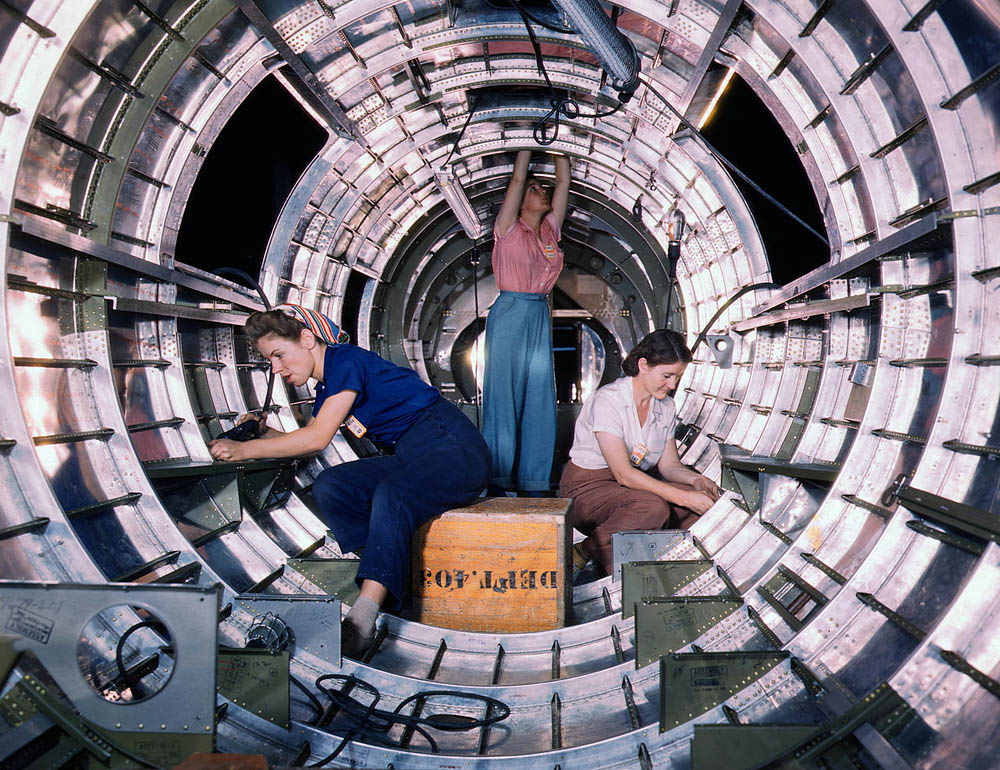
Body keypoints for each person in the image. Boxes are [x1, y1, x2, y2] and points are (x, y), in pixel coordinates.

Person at [209, 304, 491, 657]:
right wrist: (262, 434)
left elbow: (315, 438)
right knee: (333, 485)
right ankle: (387, 574)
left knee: (393, 493)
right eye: (271, 361)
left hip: (453, 449)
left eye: (279, 355)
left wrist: (242, 452)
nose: (277, 369)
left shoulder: (345, 361)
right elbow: (308, 440)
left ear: (308, 339)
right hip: (411, 455)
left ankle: (363, 618)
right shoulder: (330, 389)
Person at [558, 330, 721, 576]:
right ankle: (588, 552)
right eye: (667, 376)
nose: (673, 385)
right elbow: (624, 474)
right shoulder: (608, 400)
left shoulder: (665, 406)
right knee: (653, 507)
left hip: (629, 490)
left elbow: (669, 466)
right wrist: (683, 497)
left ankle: (667, 571)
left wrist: (696, 481)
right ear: (643, 365)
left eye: (677, 377)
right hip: (587, 489)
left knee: (694, 500)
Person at [483, 149, 571, 494]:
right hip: (510, 312)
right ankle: (499, 480)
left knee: (539, 398)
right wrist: (527, 145)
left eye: (542, 189)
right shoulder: (507, 228)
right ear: (519, 202)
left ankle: (534, 482)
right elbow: (518, 179)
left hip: (538, 312)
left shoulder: (550, 231)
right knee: (502, 397)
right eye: (535, 190)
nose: (543, 192)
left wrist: (561, 141)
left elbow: (563, 179)